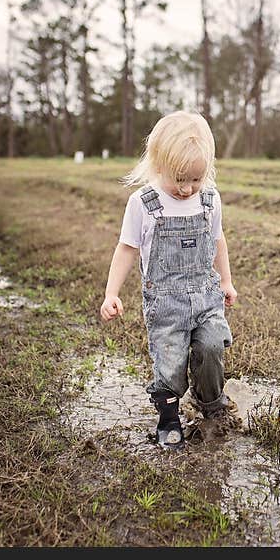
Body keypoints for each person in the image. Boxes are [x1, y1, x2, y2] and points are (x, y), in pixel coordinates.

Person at [99, 111, 238, 451]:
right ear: (158, 163)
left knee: (211, 347)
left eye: (196, 179)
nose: (188, 188)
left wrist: (227, 283)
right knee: (170, 363)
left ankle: (210, 402)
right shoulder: (144, 204)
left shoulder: (209, 199)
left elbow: (218, 240)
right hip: (166, 303)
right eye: (180, 179)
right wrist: (111, 292)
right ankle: (169, 416)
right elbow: (127, 248)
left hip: (206, 296)